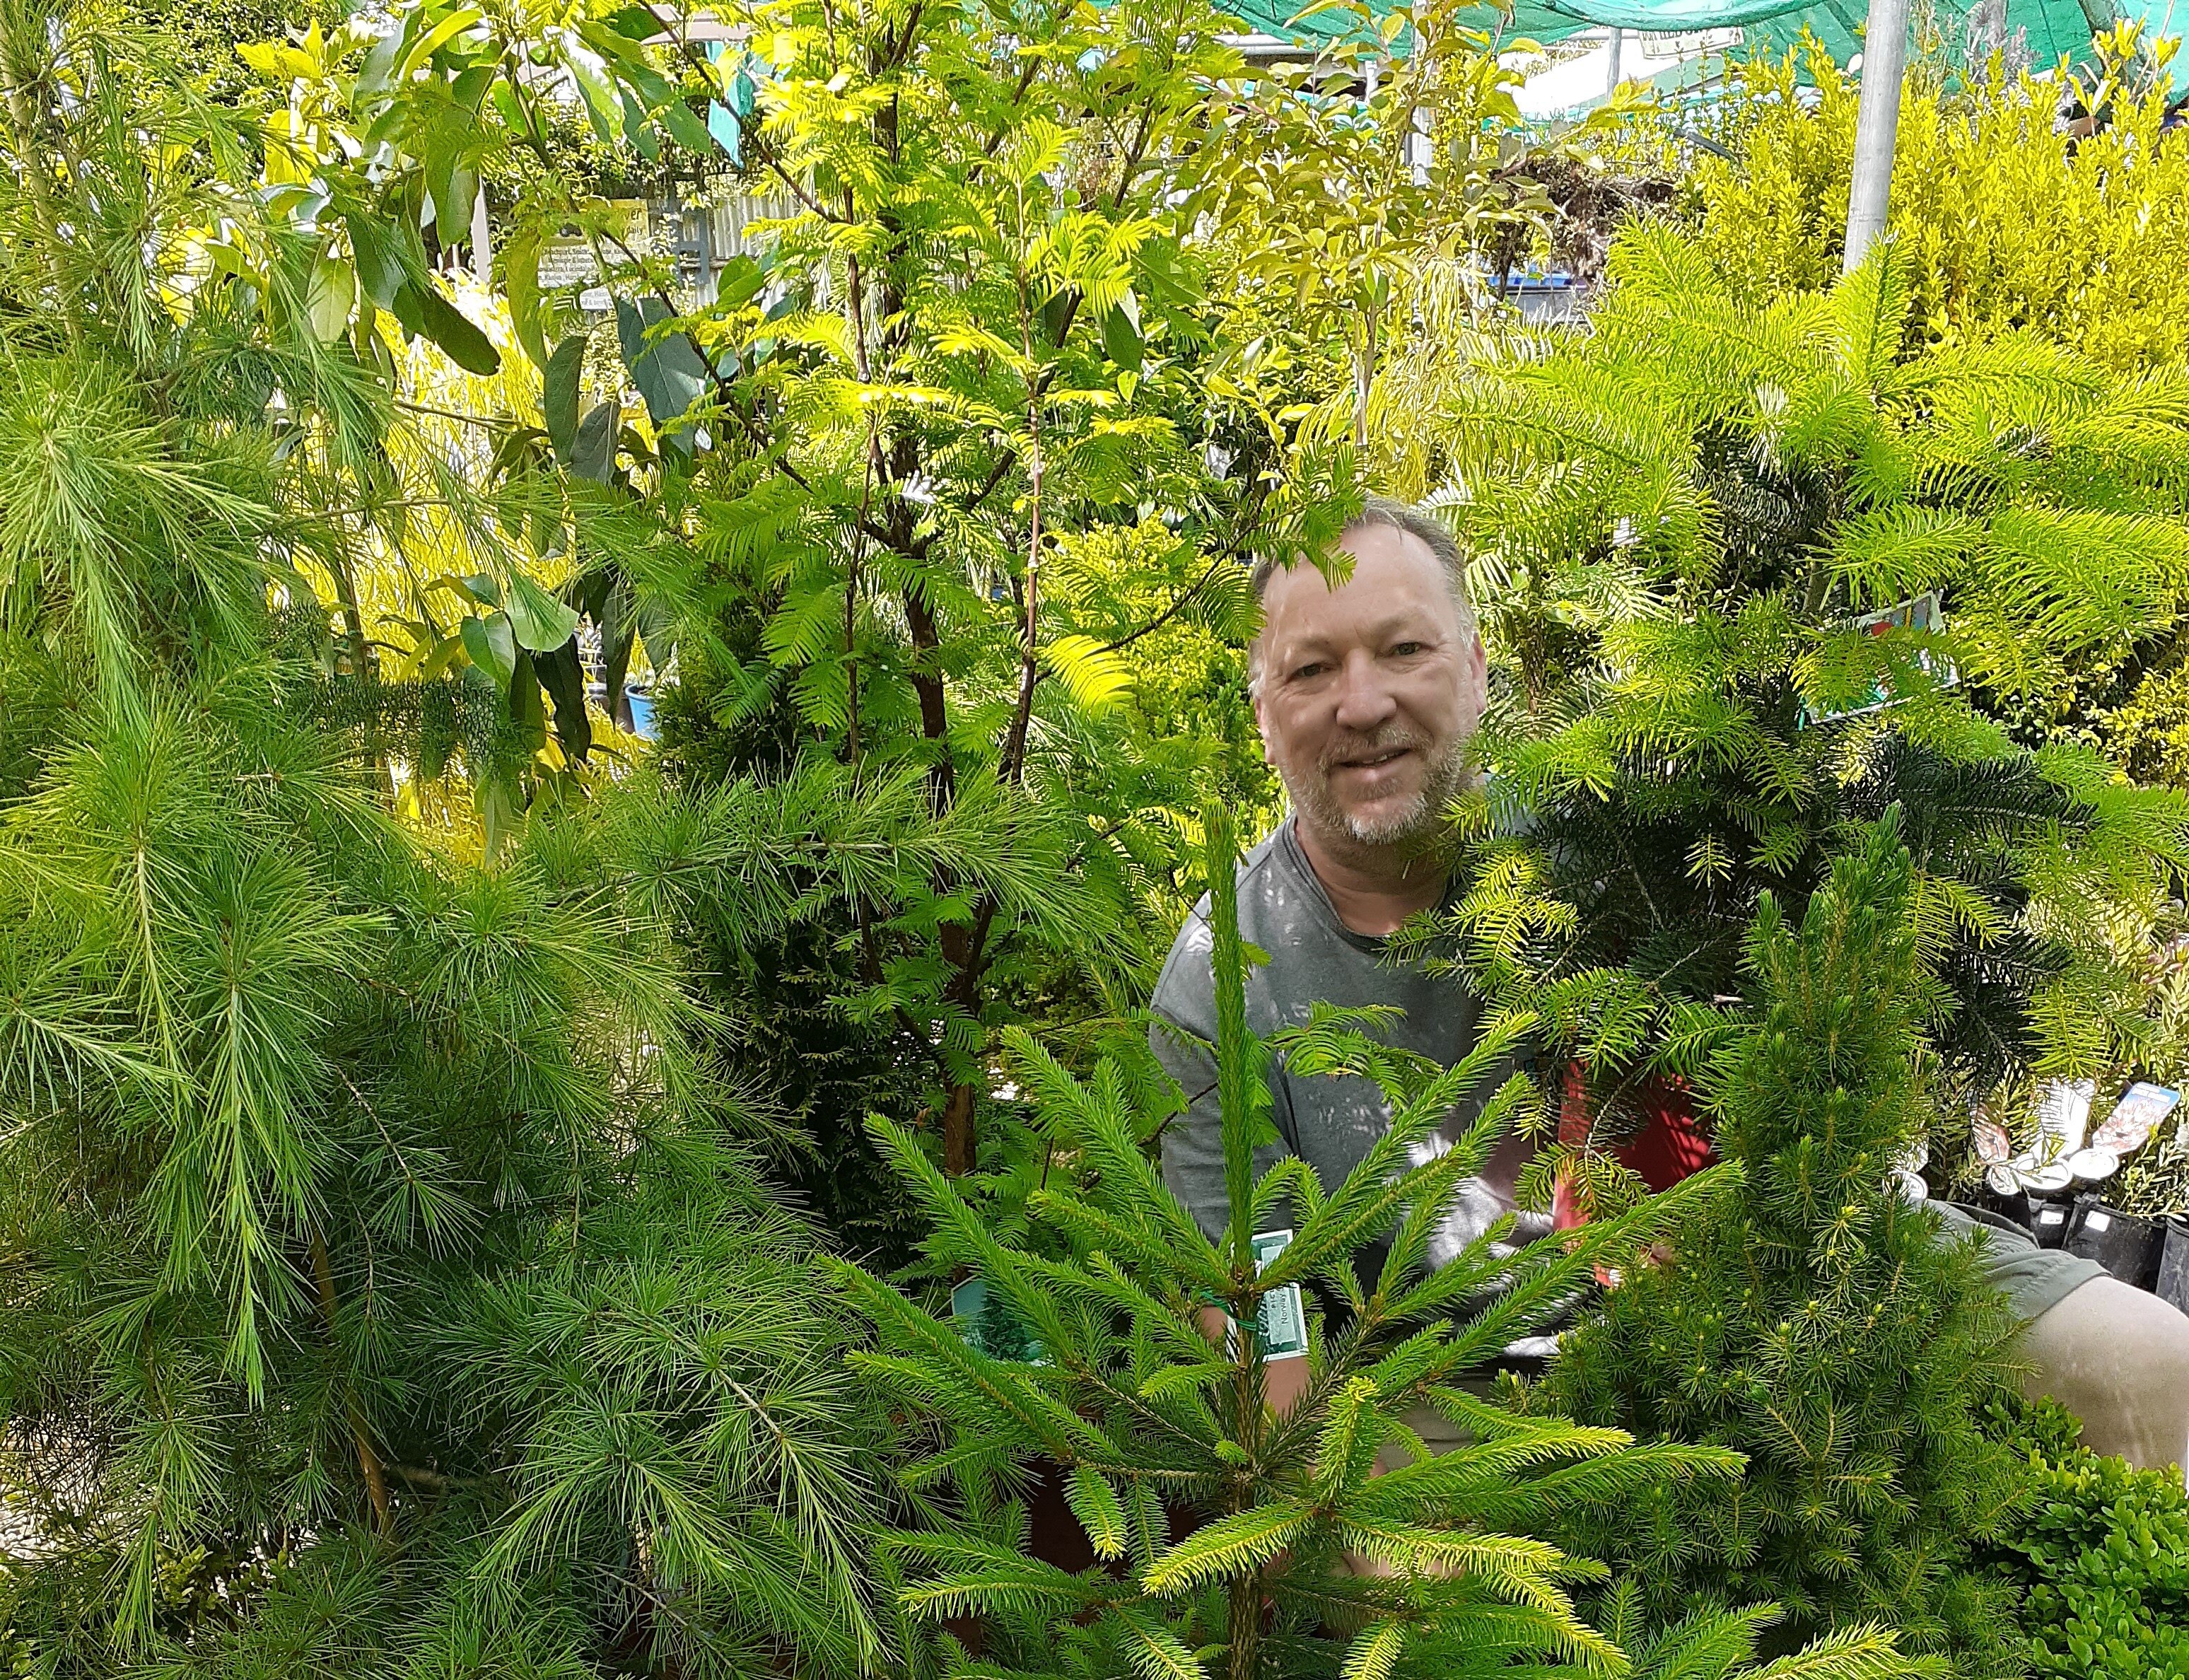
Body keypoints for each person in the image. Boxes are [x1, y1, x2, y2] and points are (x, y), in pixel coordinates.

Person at [1148, 494, 2189, 1475]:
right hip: (1452, 1387)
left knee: (2154, 1364)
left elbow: (1782, 732)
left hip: (1782, 1252)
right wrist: (1310, 1501)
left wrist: (1892, 577)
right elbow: (1255, 1309)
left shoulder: (1614, 825)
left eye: (1404, 648)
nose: (1363, 702)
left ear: (1474, 667)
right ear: (1263, 713)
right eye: (1311, 669)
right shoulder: (1218, 980)